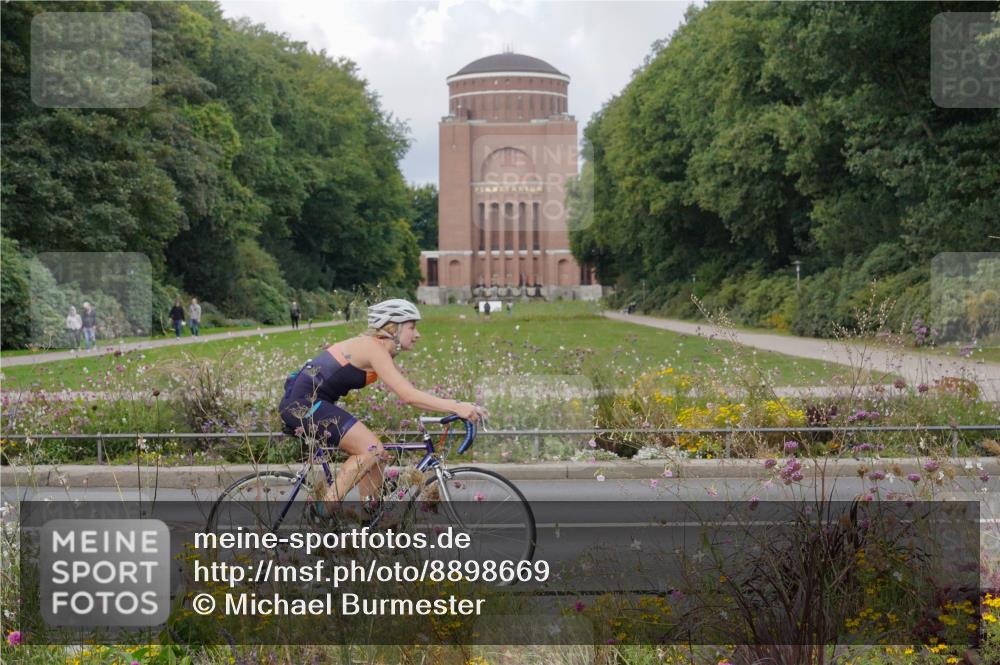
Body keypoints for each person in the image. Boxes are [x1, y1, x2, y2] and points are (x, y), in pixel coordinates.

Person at [279, 298, 487, 508]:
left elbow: (408, 392)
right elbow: (409, 395)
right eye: (412, 327)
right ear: (392, 328)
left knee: (379, 457)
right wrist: (457, 407)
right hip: (303, 405)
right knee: (371, 450)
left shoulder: (376, 348)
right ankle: (323, 510)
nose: (417, 334)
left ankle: (370, 519)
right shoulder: (373, 347)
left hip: (313, 401)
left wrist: (456, 404)